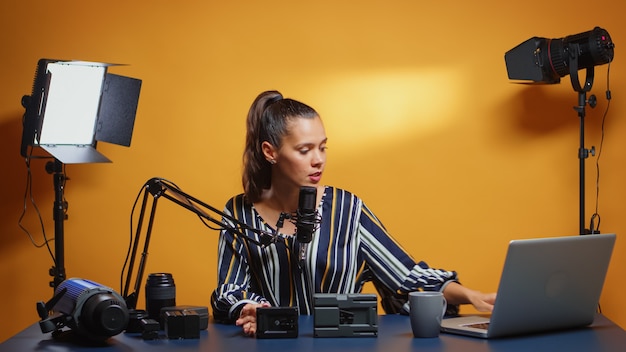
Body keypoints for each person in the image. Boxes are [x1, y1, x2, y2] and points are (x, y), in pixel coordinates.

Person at [210, 90, 496, 336]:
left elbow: (406, 277)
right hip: (270, 345)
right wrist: (253, 310)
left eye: (322, 148)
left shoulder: (347, 209)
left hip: (340, 344)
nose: (318, 160)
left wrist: (473, 296)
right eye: (304, 150)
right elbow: (229, 289)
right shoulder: (239, 212)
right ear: (270, 152)